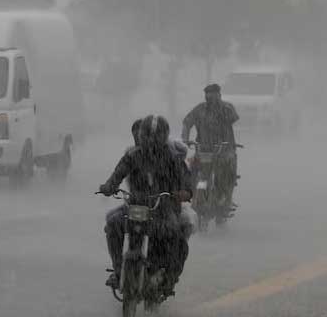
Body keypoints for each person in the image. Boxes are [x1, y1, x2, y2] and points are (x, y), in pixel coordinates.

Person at [100, 115, 193, 294]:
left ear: (164, 136)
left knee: (177, 236)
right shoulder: (132, 155)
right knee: (113, 223)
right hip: (135, 205)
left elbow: (186, 180)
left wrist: (185, 192)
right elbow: (118, 173)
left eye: (156, 135)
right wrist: (109, 186)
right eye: (148, 135)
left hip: (163, 207)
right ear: (141, 135)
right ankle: (118, 270)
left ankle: (170, 277)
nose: (151, 139)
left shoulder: (173, 158)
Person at [181, 83, 240, 211]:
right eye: (208, 96)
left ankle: (226, 199)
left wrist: (219, 108)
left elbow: (233, 118)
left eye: (214, 95)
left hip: (225, 149)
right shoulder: (199, 109)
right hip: (203, 150)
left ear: (219, 95)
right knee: (193, 170)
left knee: (228, 173)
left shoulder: (227, 107)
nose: (211, 98)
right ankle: (195, 194)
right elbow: (187, 122)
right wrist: (185, 139)